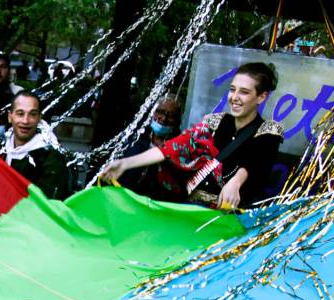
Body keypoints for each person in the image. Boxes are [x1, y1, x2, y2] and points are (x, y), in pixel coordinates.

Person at [102, 62, 283, 209]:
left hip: (232, 216)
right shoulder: (213, 122)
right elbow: (171, 148)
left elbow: (257, 160)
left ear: (261, 97)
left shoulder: (269, 130)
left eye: (244, 92)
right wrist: (125, 163)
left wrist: (236, 183)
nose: (234, 97)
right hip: (192, 208)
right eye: (232, 89)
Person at [0, 91, 70, 200]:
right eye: (20, 114)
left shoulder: (51, 159)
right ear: (10, 116)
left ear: (39, 118)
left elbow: (47, 204)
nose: (25, 121)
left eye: (32, 114)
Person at [117, 95, 183, 202]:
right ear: (153, 112)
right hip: (126, 197)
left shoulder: (178, 146)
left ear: (177, 121)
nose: (164, 118)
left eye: (170, 116)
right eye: (160, 112)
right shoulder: (137, 136)